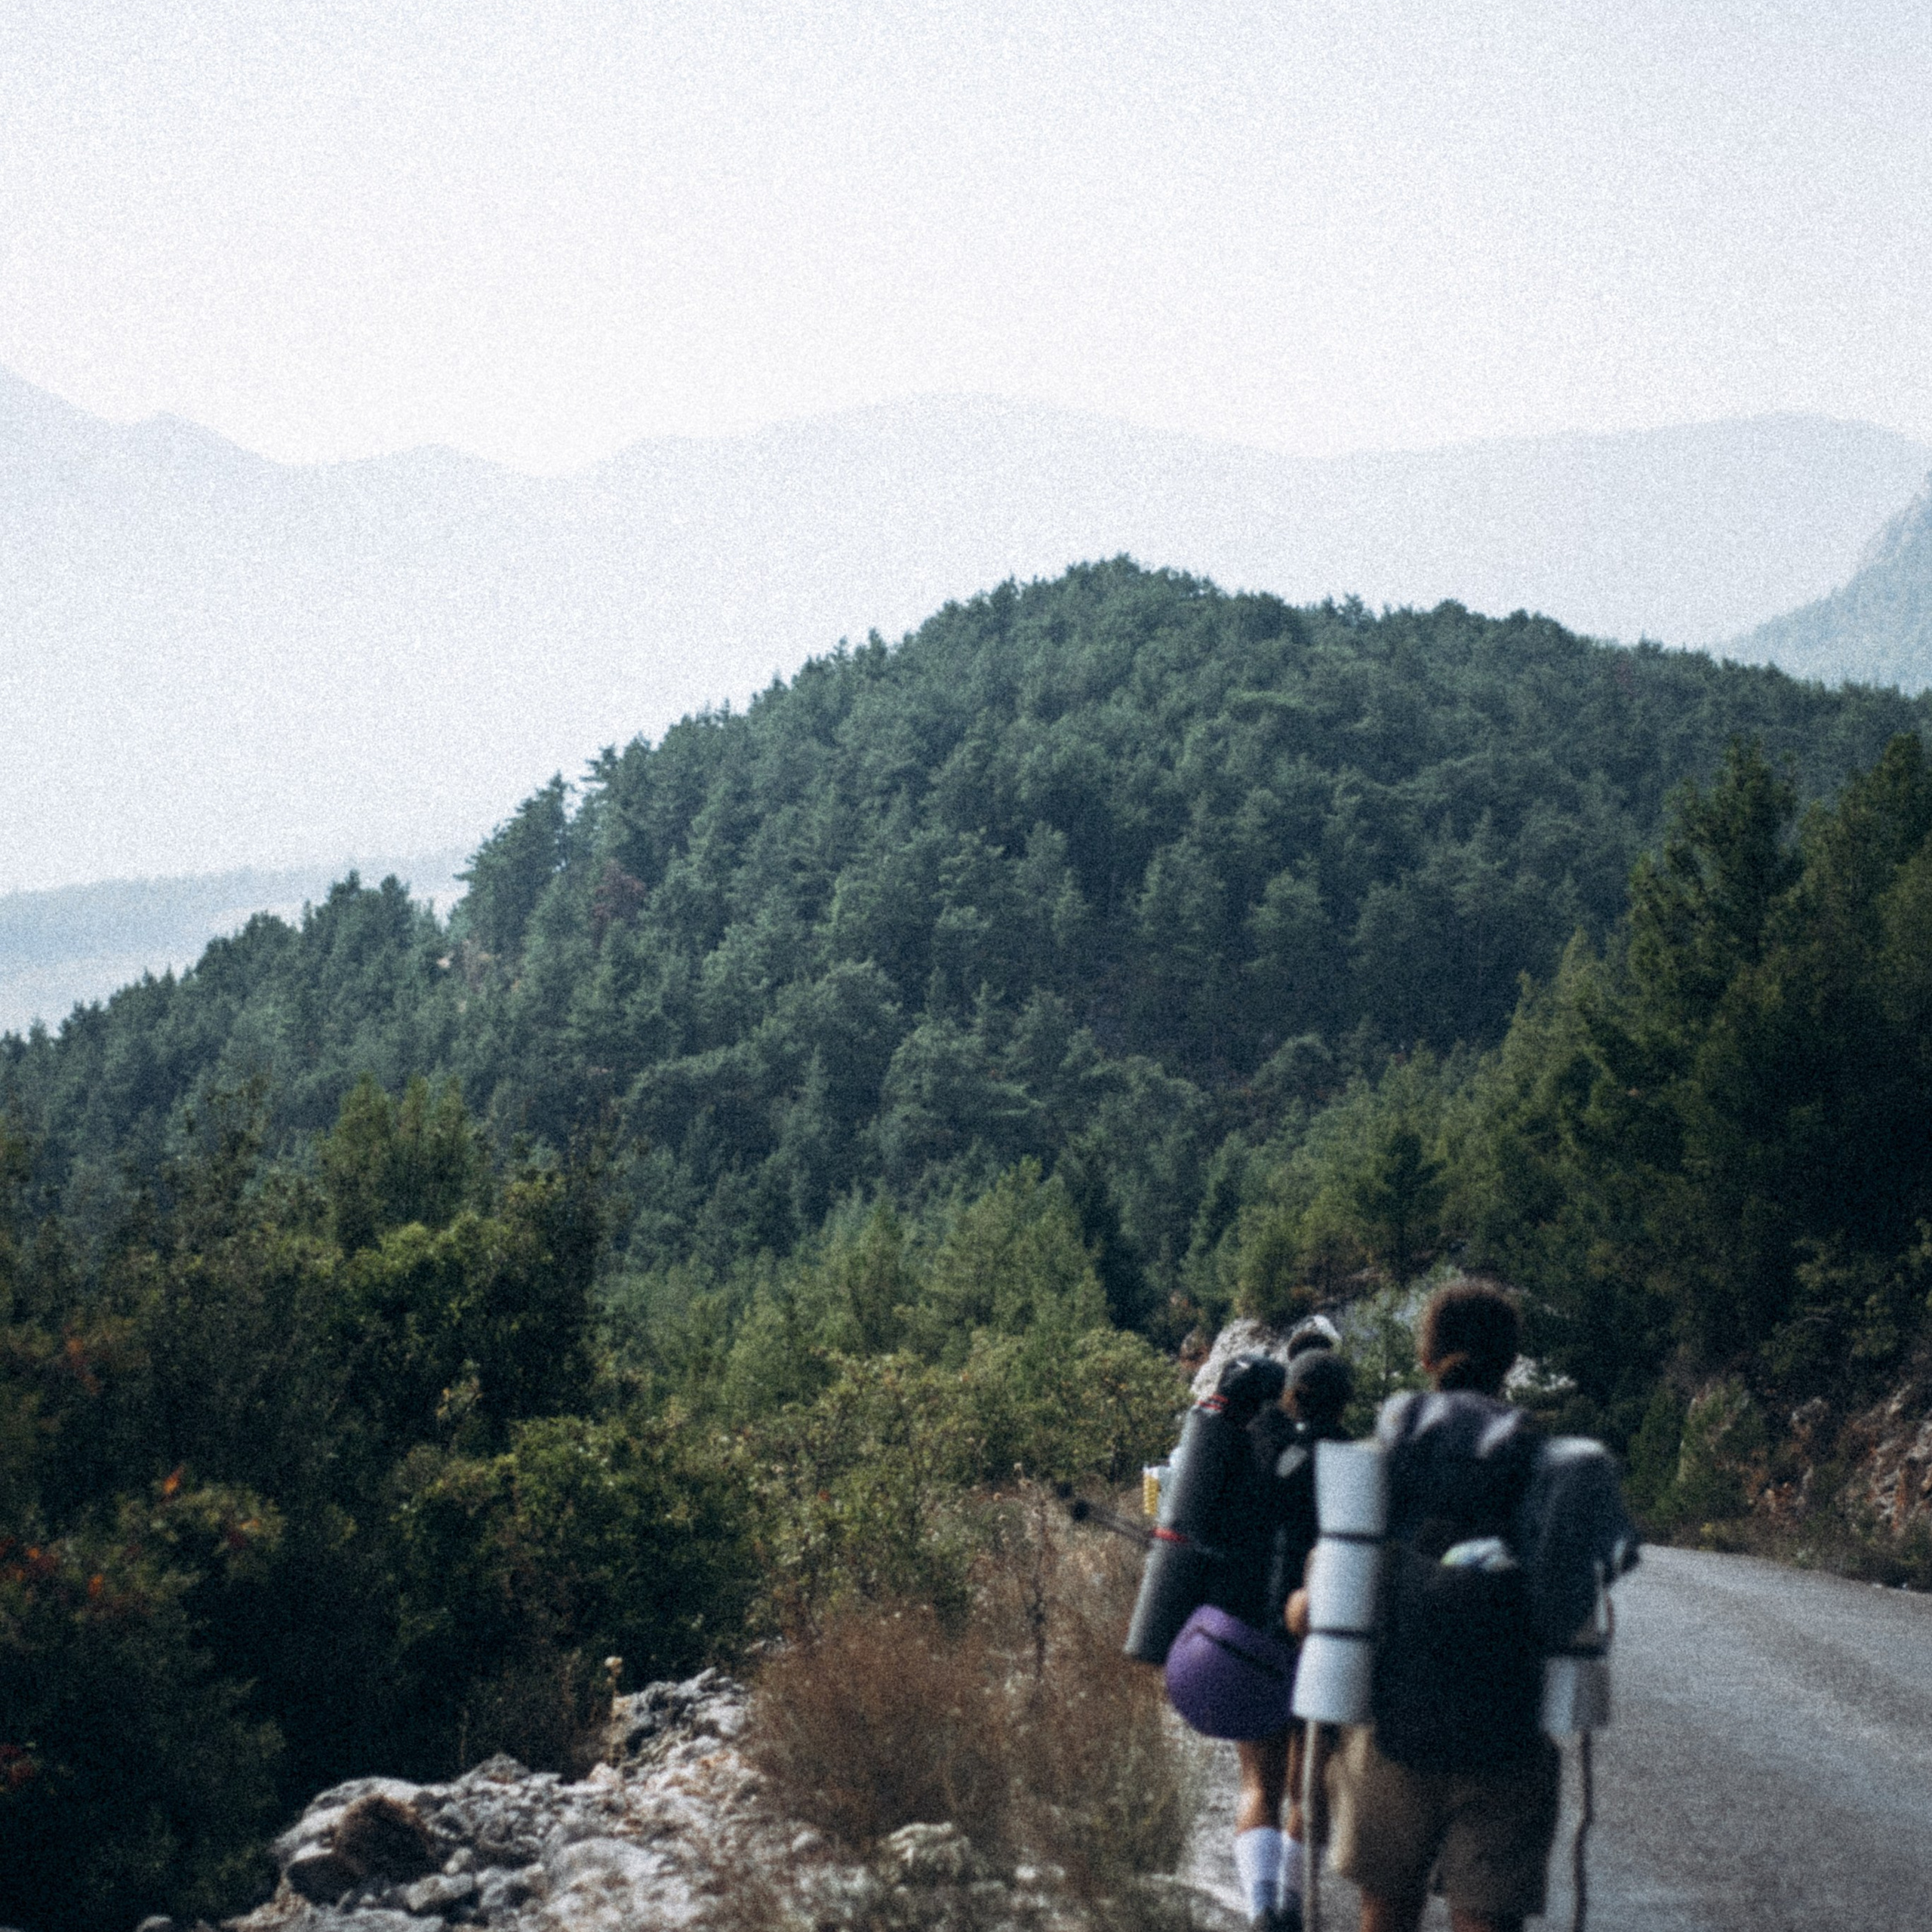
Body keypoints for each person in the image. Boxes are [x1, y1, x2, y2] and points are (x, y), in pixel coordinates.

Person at [1287, 1279, 1585, 1932]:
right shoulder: (1546, 1468)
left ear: (1427, 1358)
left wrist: (1300, 1607)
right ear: (1510, 1364)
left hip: (1392, 1737)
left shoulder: (1380, 1461)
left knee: (1385, 1918)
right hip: (1507, 1742)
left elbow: (1316, 1611)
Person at [1229, 1341, 1354, 1932]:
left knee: (1259, 1782)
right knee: (1308, 1789)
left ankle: (1261, 1909)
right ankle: (1293, 1909)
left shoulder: (1263, 1443)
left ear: (1292, 1394)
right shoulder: (1353, 1462)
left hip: (1255, 1634)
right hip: (1323, 1637)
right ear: (1345, 1402)